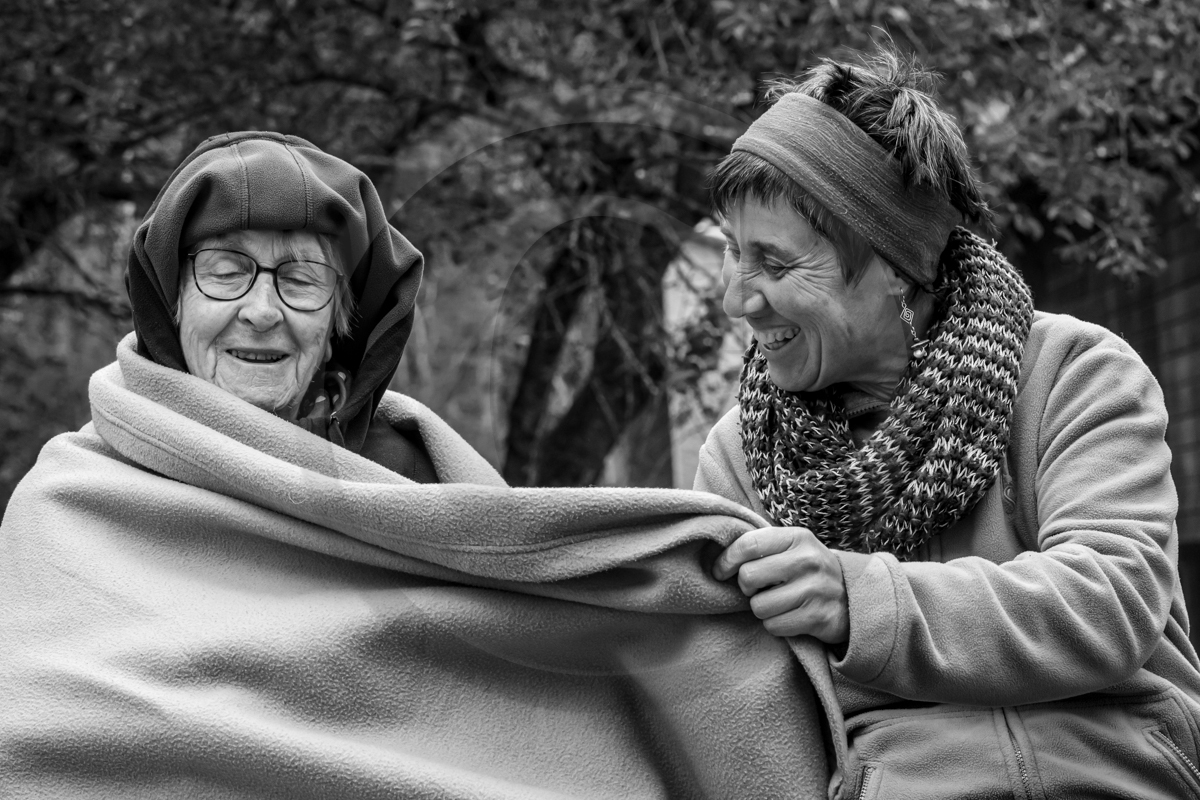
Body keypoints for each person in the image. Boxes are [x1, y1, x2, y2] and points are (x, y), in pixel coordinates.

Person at [0, 131, 835, 798]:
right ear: (171, 300)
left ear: (340, 322)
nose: (260, 310)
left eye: (300, 280)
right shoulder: (73, 500)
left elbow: (558, 651)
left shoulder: (421, 478)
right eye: (224, 272)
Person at [696, 46, 1200, 798]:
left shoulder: (1075, 374)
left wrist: (854, 597)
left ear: (897, 266)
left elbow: (1110, 602)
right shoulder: (741, 454)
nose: (739, 298)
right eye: (735, 254)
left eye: (775, 263)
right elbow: (745, 710)